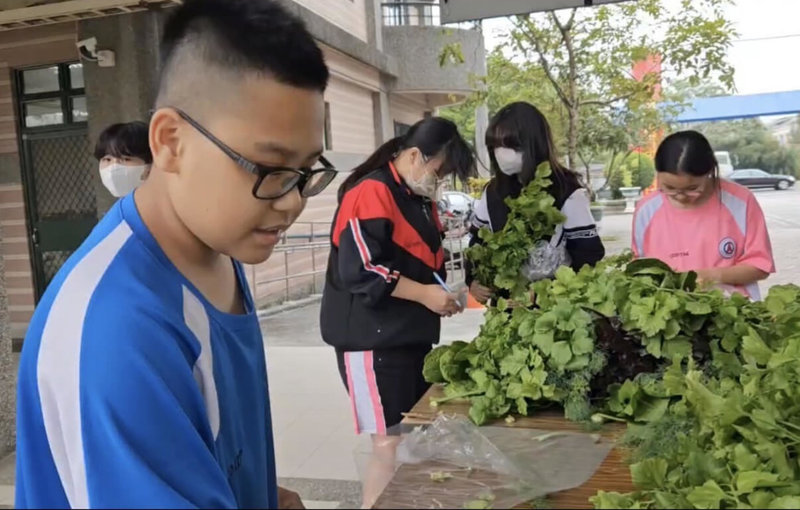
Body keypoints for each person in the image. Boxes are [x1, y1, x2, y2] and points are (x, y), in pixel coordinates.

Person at [15, 0, 336, 508]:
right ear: (170, 142)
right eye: (268, 168)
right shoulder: (118, 332)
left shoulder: (216, 245)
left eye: (306, 171)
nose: (293, 199)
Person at [320, 117, 475, 508]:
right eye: (440, 171)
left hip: (408, 339)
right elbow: (361, 270)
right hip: (372, 343)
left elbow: (428, 261)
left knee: (409, 439)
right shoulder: (371, 191)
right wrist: (425, 294)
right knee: (389, 443)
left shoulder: (417, 198)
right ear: (413, 155)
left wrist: (454, 291)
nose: (440, 182)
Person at [466, 102, 605, 305]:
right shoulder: (493, 192)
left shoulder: (567, 191)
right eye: (495, 146)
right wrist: (473, 282)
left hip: (553, 312)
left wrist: (542, 295)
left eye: (510, 146)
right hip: (506, 313)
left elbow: (589, 258)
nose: (501, 153)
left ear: (534, 144)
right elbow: (477, 244)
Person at [632, 130, 774, 299]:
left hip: (732, 312)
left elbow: (760, 266)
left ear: (709, 172)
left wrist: (712, 277)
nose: (680, 195)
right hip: (670, 315)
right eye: (669, 188)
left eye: (692, 189)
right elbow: (639, 269)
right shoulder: (645, 210)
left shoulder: (741, 201)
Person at [94, 121, 153, 197]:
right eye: (108, 159)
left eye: (126, 159)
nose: (113, 167)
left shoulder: (166, 204)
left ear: (150, 164)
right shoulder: (118, 208)